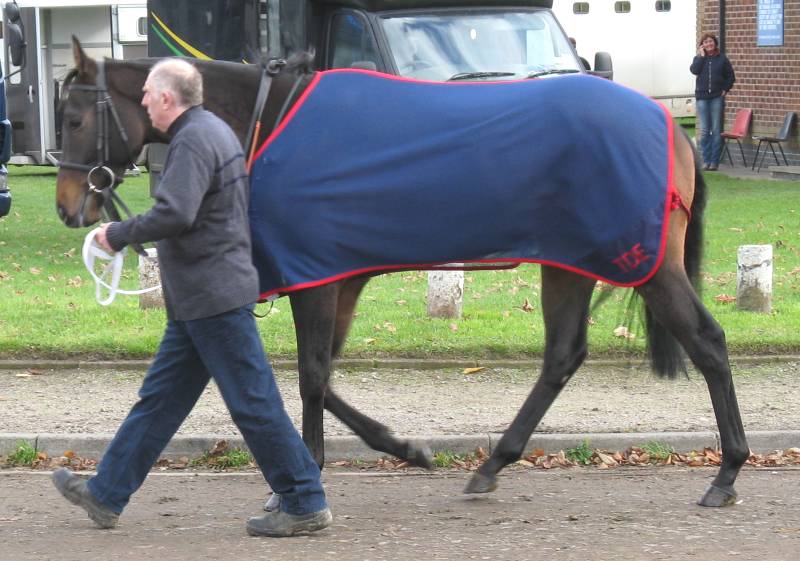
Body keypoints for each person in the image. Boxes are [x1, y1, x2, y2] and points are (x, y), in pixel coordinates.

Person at [52, 58, 331, 538]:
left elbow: (175, 213)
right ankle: (107, 493)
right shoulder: (208, 131)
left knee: (254, 403)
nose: (142, 100)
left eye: (147, 93)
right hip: (201, 298)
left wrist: (117, 234)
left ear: (167, 98)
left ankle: (305, 501)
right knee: (160, 401)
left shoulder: (194, 140)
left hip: (213, 297)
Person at [690, 33, 735, 171]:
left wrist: (725, 90)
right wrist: (701, 56)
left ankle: (714, 162)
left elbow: (731, 76)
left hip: (716, 97)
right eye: (706, 42)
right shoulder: (699, 58)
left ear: (715, 43)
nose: (709, 44)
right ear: (702, 45)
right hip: (702, 98)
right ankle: (706, 160)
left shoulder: (722, 59)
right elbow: (694, 70)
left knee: (716, 130)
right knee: (704, 131)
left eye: (711, 41)